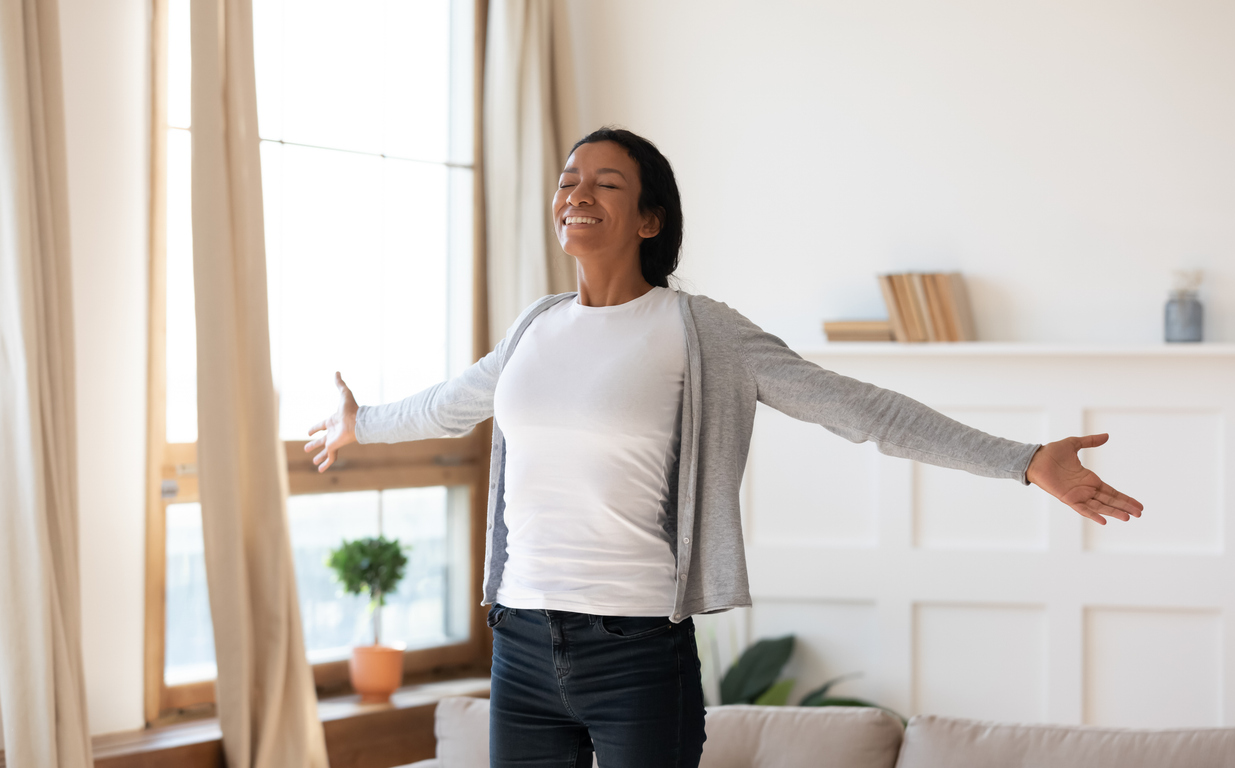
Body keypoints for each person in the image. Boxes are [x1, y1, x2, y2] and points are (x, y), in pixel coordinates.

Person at [304, 127, 1143, 768]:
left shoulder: (699, 331)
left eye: (604, 182)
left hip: (636, 651)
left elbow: (857, 408)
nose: (576, 193)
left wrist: (1020, 459)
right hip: (520, 644)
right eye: (567, 180)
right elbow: (450, 405)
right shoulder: (536, 327)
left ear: (649, 218)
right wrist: (360, 422)